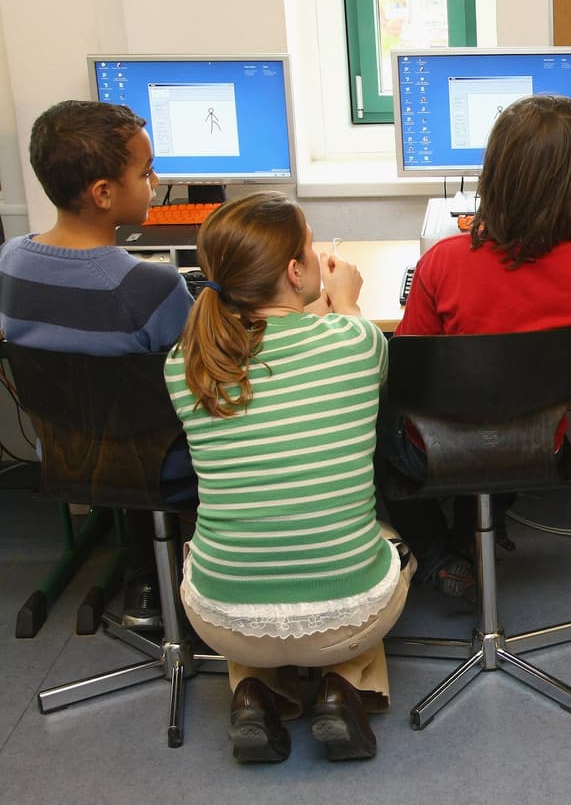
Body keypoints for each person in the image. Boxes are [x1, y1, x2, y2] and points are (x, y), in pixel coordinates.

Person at [378, 94, 571, 579]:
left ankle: (436, 555)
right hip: (535, 448)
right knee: (510, 414)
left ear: (494, 175)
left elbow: (411, 367)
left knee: (384, 407)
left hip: (438, 450)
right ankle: (470, 535)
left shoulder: (442, 262)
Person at [165, 191, 412, 763]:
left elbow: (269, 356)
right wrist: (345, 299)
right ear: (296, 271)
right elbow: (352, 349)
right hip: (346, 617)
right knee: (388, 542)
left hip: (220, 621)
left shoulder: (185, 362)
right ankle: (342, 684)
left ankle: (254, 692)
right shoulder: (353, 342)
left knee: (240, 549)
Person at [0, 100, 194, 629]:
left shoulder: (10, 262)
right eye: (146, 171)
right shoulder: (153, 287)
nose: (156, 180)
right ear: (104, 193)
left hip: (65, 453)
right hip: (163, 466)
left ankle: (143, 574)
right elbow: (203, 371)